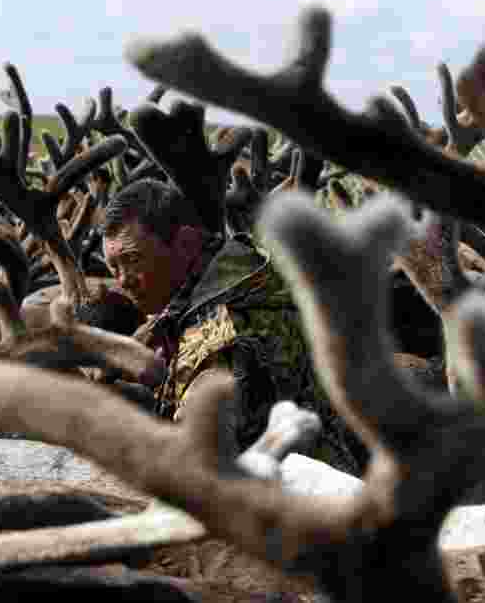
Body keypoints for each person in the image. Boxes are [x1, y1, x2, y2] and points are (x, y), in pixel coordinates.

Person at [101, 179, 366, 474]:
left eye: (133, 259)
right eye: (114, 267)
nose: (123, 280)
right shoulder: (244, 273)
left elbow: (193, 460)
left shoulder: (221, 330)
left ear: (186, 245)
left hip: (298, 501)